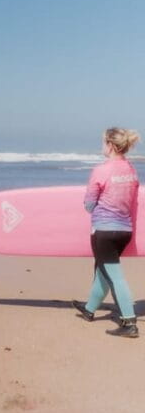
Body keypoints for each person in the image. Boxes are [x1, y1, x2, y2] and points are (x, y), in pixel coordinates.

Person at [73, 128, 140, 338]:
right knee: (104, 271)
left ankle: (129, 323)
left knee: (114, 276)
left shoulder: (102, 170)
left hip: (104, 231)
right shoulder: (131, 170)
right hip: (124, 231)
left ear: (110, 145)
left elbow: (89, 204)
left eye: (103, 142)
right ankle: (89, 309)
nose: (102, 146)